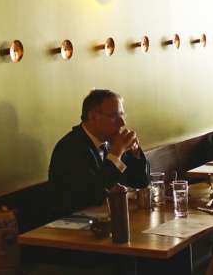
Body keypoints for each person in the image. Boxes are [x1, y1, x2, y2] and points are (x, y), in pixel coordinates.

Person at [48, 89, 150, 217]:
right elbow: (93, 196)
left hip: (105, 219)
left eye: (122, 115)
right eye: (114, 116)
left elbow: (141, 183)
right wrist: (115, 154)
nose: (122, 123)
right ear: (93, 117)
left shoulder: (110, 141)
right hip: (74, 227)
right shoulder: (71, 147)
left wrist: (135, 154)